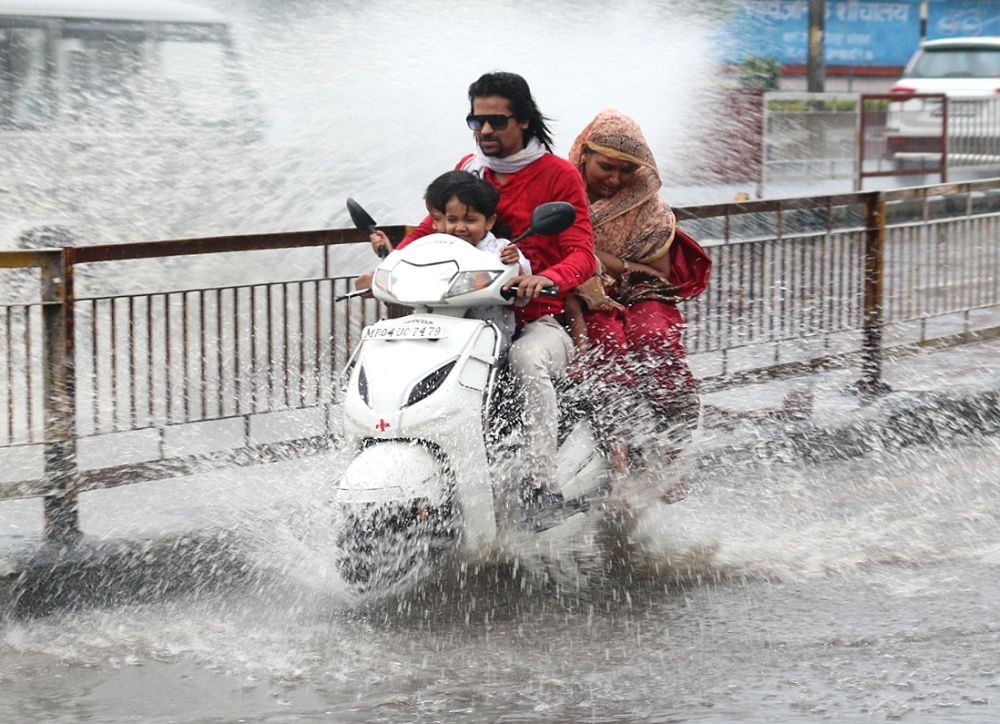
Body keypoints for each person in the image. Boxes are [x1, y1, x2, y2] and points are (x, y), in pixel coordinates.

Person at [363, 72, 596, 510]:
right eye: (477, 121)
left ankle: (542, 484)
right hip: (462, 317)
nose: (485, 130)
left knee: (526, 361)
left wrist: (545, 278)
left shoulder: (558, 175)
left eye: (497, 121)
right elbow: (430, 230)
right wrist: (391, 264)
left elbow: (582, 253)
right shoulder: (469, 170)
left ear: (524, 120)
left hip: (534, 320)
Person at [565, 108, 711, 490]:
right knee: (606, 341)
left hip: (638, 292)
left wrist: (602, 263)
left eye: (626, 171)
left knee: (653, 334)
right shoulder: (561, 192)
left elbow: (654, 273)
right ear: (584, 155)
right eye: (607, 168)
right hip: (578, 295)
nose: (616, 180)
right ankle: (619, 445)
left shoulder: (647, 203)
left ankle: (673, 449)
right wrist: (600, 265)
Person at [369, 170, 530, 354]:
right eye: (452, 220)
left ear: (489, 221)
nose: (460, 227)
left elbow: (522, 293)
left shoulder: (501, 250)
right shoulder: (432, 248)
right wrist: (391, 257)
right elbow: (410, 269)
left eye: (470, 220)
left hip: (484, 341)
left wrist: (514, 267)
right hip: (431, 333)